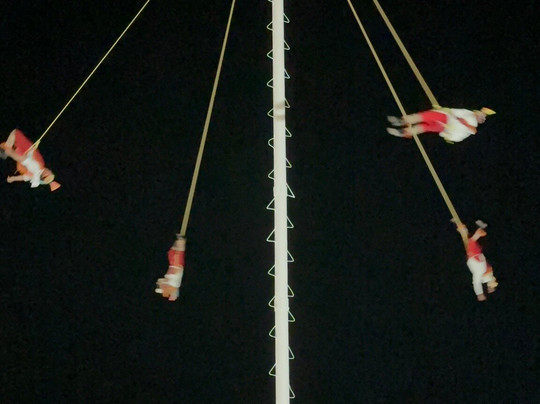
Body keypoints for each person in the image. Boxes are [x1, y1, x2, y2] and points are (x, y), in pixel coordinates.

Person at [387, 107, 496, 143]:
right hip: (445, 117)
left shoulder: (473, 124)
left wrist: (465, 124)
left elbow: (473, 131)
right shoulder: (469, 112)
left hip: (446, 126)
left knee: (425, 127)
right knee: (424, 116)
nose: (480, 114)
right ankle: (402, 121)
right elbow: (454, 111)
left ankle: (404, 132)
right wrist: (443, 109)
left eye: (482, 116)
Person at [456, 220, 498, 301]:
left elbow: (487, 280)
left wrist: (489, 288)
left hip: (475, 257)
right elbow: (477, 283)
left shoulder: (485, 273)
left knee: (468, 240)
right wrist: (480, 294)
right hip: (475, 257)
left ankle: (466, 229)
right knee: (471, 241)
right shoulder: (482, 272)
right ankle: (478, 228)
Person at [155, 235, 186, 301]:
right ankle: (181, 240)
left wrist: (160, 283)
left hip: (172, 265)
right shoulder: (172, 287)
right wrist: (161, 284)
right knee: (178, 252)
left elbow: (160, 280)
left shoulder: (167, 286)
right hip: (177, 266)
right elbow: (174, 294)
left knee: (171, 252)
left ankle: (178, 240)